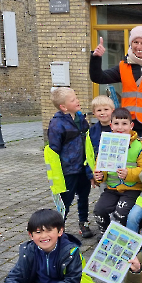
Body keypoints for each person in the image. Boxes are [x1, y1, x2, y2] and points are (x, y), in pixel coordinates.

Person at [46, 87, 94, 238]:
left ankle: (83, 222)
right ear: (63, 107)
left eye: (76, 97)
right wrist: (57, 173)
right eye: (73, 100)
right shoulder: (57, 124)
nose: (77, 101)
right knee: (65, 200)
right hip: (68, 170)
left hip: (82, 167)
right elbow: (54, 150)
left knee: (84, 196)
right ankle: (59, 228)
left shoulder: (80, 118)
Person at [93, 108, 142, 232]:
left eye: (124, 124)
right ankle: (105, 234)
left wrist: (129, 173)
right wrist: (99, 176)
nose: (120, 127)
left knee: (120, 212)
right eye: (116, 123)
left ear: (131, 125)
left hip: (132, 188)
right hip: (112, 188)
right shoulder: (106, 143)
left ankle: (123, 235)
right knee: (99, 210)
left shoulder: (140, 145)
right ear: (111, 125)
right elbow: (100, 165)